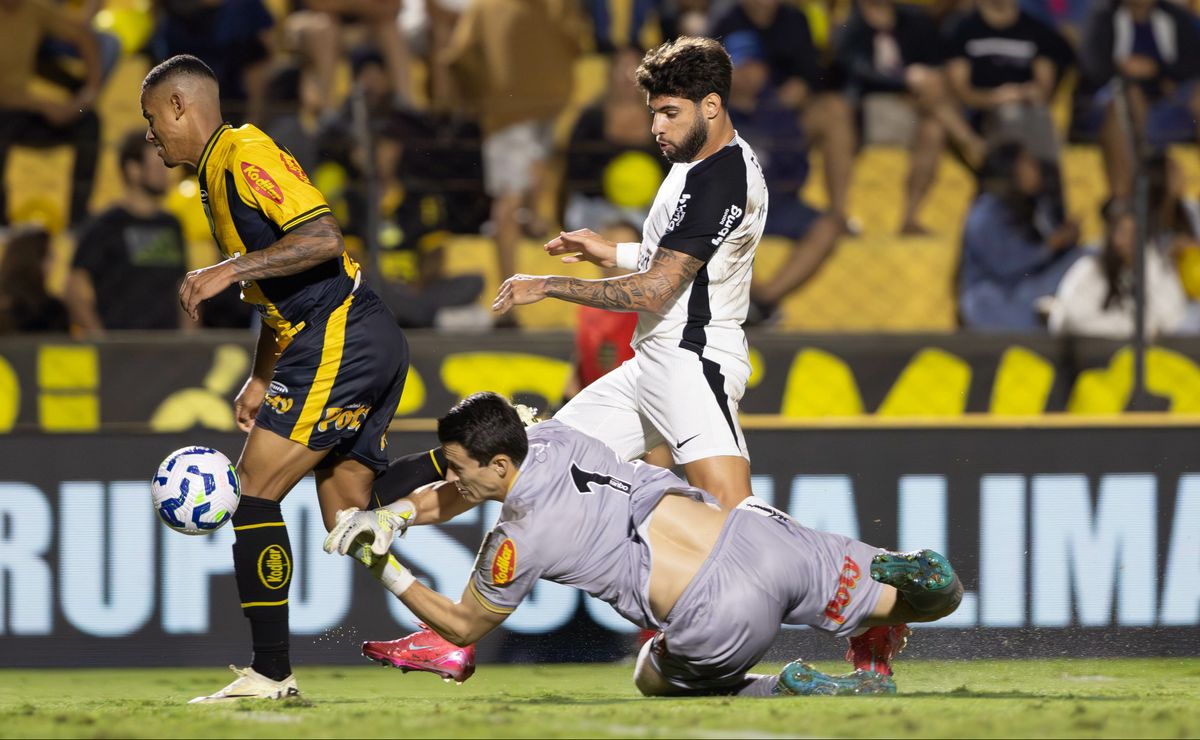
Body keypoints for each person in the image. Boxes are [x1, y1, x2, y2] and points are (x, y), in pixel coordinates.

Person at [325, 392, 964, 696]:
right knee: (934, 602)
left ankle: (790, 686)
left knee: (652, 678)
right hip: (757, 538)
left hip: (716, 612)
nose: (451, 478)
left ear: (497, 463)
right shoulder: (552, 436)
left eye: (457, 467)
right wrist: (397, 514)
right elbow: (471, 488)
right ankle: (914, 571)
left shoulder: (517, 538)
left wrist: (380, 562)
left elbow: (462, 627)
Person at [139, 54, 413, 703]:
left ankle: (271, 673)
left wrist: (228, 269)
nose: (150, 135)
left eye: (152, 119)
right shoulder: (214, 178)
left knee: (255, 495)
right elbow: (276, 289)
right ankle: (475, 467)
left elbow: (322, 238)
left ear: (180, 105)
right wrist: (261, 375)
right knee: (351, 513)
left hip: (340, 332)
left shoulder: (244, 152)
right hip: (348, 334)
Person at [494, 37, 764, 510]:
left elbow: (658, 288)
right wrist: (613, 251)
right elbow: (688, 257)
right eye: (654, 112)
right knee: (538, 466)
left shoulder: (720, 181)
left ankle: (858, 564)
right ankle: (395, 517)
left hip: (693, 359)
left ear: (711, 106)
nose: (656, 127)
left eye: (670, 113)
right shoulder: (695, 158)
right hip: (652, 360)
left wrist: (549, 284)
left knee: (732, 510)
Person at [441, 0, 584, 326]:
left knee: (509, 202)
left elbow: (458, 56)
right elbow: (576, 41)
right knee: (515, 203)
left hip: (510, 112)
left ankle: (511, 298)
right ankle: (512, 295)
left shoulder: (486, 7)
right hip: (546, 107)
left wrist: (479, 97)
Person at [835, 0, 986, 234]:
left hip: (916, 107)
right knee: (927, 92)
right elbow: (855, 72)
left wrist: (916, 83)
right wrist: (904, 81)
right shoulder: (848, 24)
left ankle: (909, 219)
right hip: (871, 108)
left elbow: (936, 62)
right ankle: (972, 143)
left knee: (934, 129)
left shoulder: (914, 19)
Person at [722, 30, 841, 323]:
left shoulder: (780, 112)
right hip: (733, 206)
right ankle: (748, 300)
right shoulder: (712, 114)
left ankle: (764, 300)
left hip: (780, 204)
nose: (748, 73)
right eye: (740, 65)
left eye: (755, 65)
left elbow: (798, 167)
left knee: (828, 225)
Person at [711, 0, 858, 229]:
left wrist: (801, 86)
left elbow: (813, 72)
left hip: (786, 118)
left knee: (835, 110)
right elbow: (711, 82)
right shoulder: (725, 23)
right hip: (742, 123)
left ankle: (838, 214)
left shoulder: (796, 19)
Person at [65, 131, 190, 335]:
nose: (166, 173)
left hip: (167, 346)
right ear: (133, 170)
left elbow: (182, 285)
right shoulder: (105, 225)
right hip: (122, 345)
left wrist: (188, 340)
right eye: (158, 166)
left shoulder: (171, 224)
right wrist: (102, 340)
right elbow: (74, 288)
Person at [1076, 0, 1200, 200]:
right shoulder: (1103, 17)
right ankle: (1123, 200)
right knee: (1127, 100)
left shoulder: (1175, 17)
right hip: (1111, 101)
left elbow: (1192, 63)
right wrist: (1122, 69)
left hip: (1168, 100)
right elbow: (1093, 68)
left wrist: (1157, 69)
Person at [0, 0, 102, 231]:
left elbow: (83, 36)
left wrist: (89, 93)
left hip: (25, 111)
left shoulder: (33, 9)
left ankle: (78, 220)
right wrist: (45, 106)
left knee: (89, 122)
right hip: (15, 111)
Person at [958, 141, 1082, 330]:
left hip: (1026, 290)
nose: (1036, 167)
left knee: (1089, 255)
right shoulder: (985, 212)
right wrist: (1052, 244)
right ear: (1009, 171)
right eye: (1028, 162)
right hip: (994, 299)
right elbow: (1005, 266)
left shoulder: (1036, 204)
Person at [945, 0, 1073, 166]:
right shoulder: (963, 30)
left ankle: (1046, 174)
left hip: (1028, 109)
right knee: (1011, 114)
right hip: (981, 115)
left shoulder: (1038, 30)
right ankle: (1009, 171)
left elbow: (1044, 88)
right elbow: (959, 91)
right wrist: (995, 98)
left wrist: (1025, 93)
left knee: (1037, 115)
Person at [1049, 200, 1188, 338]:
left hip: (1143, 350)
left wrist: (1150, 262)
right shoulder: (1090, 269)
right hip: (1093, 349)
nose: (1129, 240)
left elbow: (1171, 320)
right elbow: (1071, 320)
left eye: (1136, 233)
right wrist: (1130, 326)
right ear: (1110, 234)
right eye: (1123, 232)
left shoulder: (1155, 268)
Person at [0, 225, 69, 335]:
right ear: (35, 260)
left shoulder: (52, 309)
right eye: (49, 255)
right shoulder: (51, 311)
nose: (56, 260)